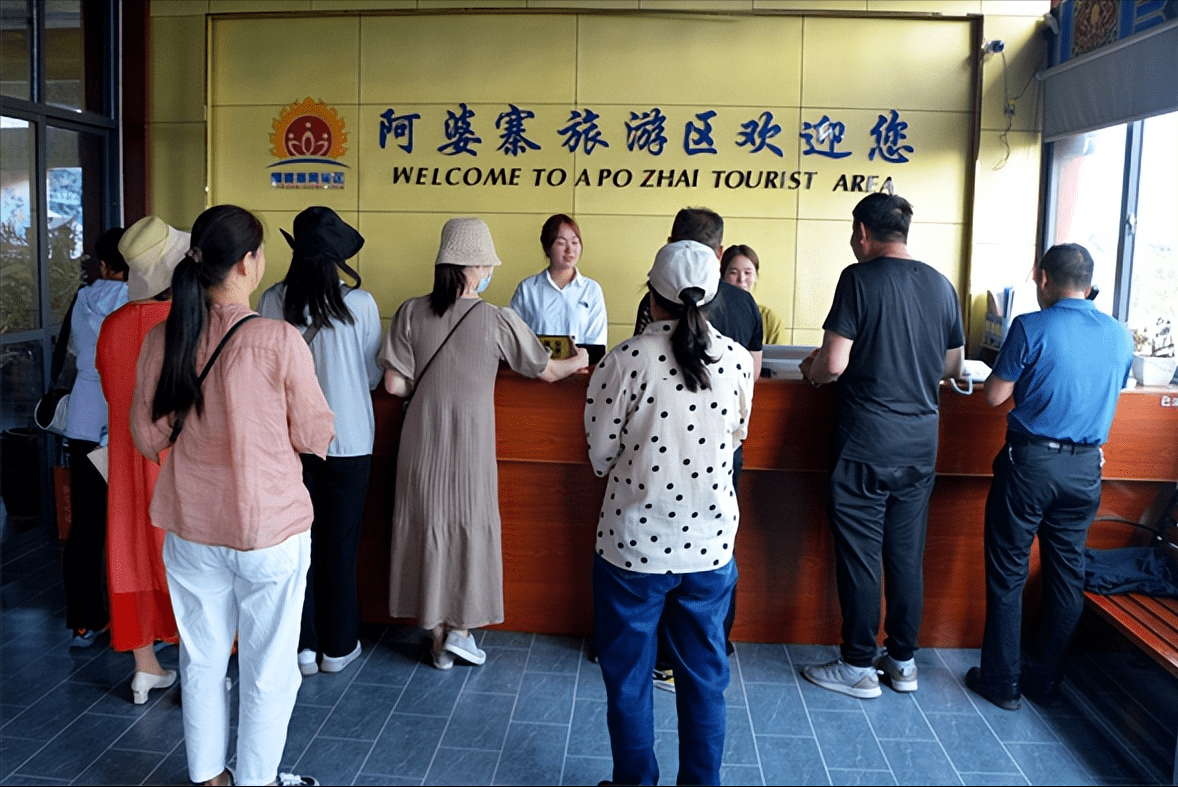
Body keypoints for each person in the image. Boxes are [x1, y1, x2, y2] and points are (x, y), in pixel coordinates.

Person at [131, 204, 334, 787]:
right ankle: (257, 780)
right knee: (270, 668)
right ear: (248, 262)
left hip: (191, 526)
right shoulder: (278, 339)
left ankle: (209, 778)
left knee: (201, 659)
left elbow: (147, 438)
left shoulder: (163, 337)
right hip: (268, 529)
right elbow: (315, 434)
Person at [379, 217, 588, 669]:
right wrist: (580, 360)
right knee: (470, 526)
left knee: (425, 524)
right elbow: (548, 370)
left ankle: (436, 634)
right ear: (474, 268)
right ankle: (460, 630)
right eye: (487, 265)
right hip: (470, 440)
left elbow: (394, 384)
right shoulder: (497, 319)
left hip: (420, 437)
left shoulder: (410, 311)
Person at [586, 239, 754, 786]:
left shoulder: (625, 360)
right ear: (714, 299)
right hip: (710, 547)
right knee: (705, 681)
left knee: (630, 681)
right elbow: (736, 437)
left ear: (651, 296)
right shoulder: (737, 360)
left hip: (632, 548)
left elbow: (600, 455)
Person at [799, 193, 964, 699]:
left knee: (862, 556)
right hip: (920, 444)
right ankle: (903, 661)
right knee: (906, 555)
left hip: (866, 442)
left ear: (863, 233)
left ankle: (856, 665)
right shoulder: (941, 284)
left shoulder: (858, 278)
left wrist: (812, 370)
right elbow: (952, 365)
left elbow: (833, 363)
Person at [966, 243, 1133, 711]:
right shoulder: (1120, 335)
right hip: (1086, 470)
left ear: (1043, 278)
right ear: (1090, 283)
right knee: (1066, 575)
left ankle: (1002, 682)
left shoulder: (1031, 326)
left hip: (1032, 465)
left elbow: (994, 396)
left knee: (1009, 572)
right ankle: (1044, 678)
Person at [629, 207, 761, 690]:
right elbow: (751, 386)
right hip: (721, 454)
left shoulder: (654, 300)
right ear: (720, 253)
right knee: (715, 548)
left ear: (670, 244)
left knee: (661, 554)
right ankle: (713, 645)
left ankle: (664, 657)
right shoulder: (743, 304)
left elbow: (640, 374)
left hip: (657, 453)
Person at [258, 207, 381, 678]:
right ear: (337, 258)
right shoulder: (361, 305)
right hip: (349, 441)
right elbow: (371, 375)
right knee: (340, 547)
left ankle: (303, 649)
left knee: (296, 548)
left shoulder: (272, 301)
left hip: (290, 443)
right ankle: (338, 647)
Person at [96, 216, 187, 703]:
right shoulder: (182, 323)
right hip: (175, 459)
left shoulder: (112, 326)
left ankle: (145, 666)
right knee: (185, 560)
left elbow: (111, 389)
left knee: (130, 554)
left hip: (125, 459)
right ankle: (198, 668)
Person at [61, 228, 129, 648]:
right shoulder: (140, 303)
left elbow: (75, 353)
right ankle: (135, 622)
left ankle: (84, 622)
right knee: (133, 525)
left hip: (84, 424)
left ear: (103, 265)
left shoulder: (82, 300)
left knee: (85, 527)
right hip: (123, 424)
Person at [510, 213, 607, 346]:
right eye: (561, 243)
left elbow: (597, 341)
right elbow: (514, 337)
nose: (569, 249)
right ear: (547, 247)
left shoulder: (591, 289)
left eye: (574, 242)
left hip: (581, 360)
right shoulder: (528, 289)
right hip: (538, 360)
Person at [720, 244, 784, 345]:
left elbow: (780, 354)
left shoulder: (768, 318)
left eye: (747, 273)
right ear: (722, 276)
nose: (741, 279)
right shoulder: (710, 315)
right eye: (733, 272)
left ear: (756, 276)